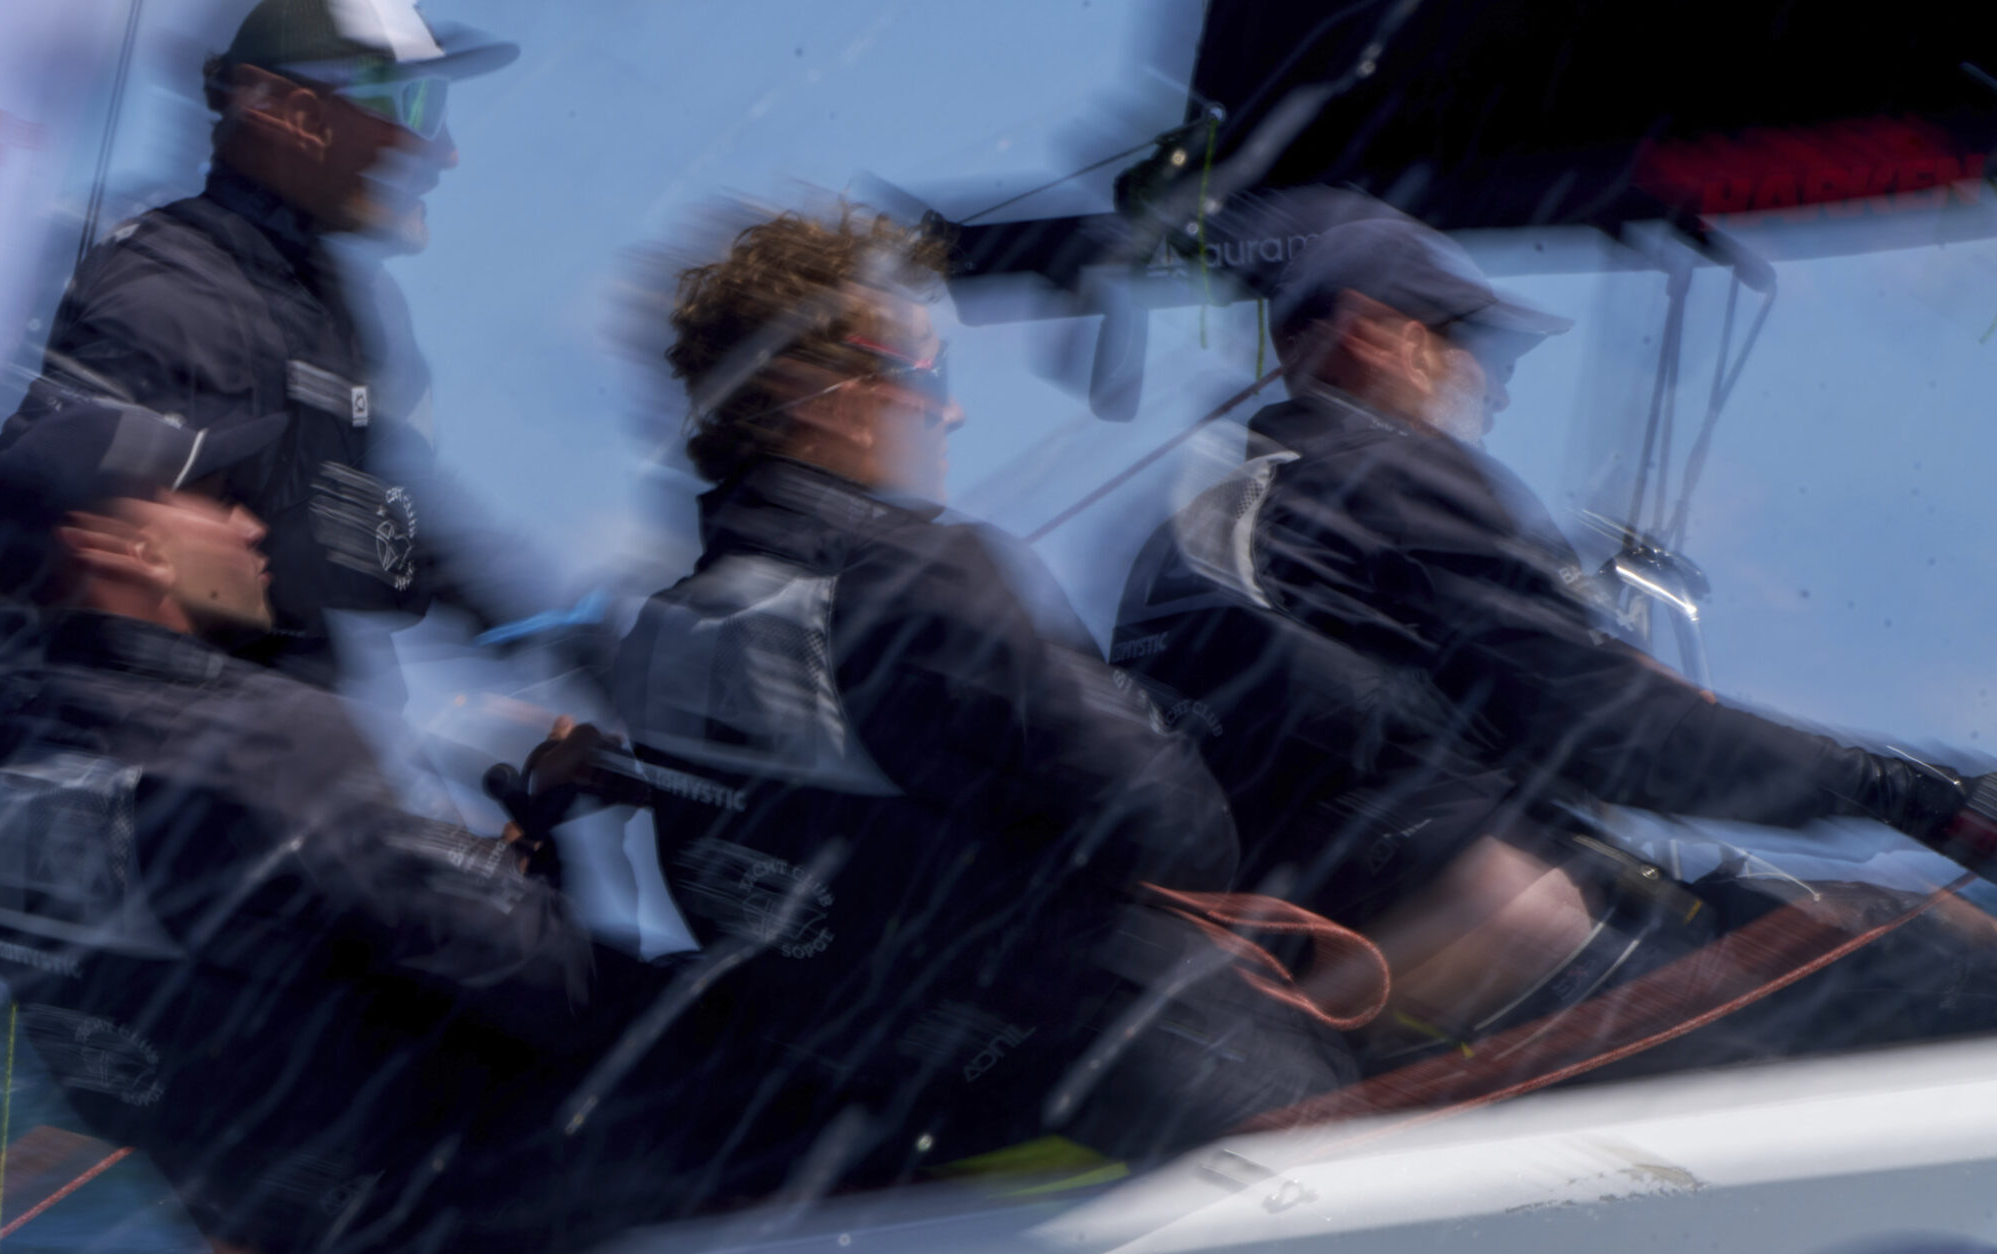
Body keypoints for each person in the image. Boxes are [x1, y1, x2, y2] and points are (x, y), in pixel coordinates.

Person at [1111, 206, 1997, 1064]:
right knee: (1930, 958)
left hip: (1311, 970)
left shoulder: (1197, 522)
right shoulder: (1378, 474)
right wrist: (1922, 797)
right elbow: (1614, 730)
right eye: (1471, 345)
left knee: (1837, 916)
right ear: (1375, 334)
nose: (1495, 384)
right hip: (1500, 959)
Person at [603, 206, 1360, 1200]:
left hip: (891, 1134)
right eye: (926, 374)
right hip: (1157, 1097)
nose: (950, 412)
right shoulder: (919, 572)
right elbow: (1169, 827)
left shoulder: (662, 636)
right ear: (814, 394)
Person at [0, 399, 619, 1254]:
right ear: (127, 548)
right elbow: (549, 986)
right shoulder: (273, 739)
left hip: (268, 1237)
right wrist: (559, 835)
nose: (251, 525)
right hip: (466, 1232)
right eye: (211, 498)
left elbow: (149, 1030)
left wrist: (499, 854)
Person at [0, 0, 520, 694]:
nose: (441, 149)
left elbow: (377, 527)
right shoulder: (174, 287)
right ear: (299, 116)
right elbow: (19, 533)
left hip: (273, 742)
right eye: (414, 103)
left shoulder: (329, 302)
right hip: (183, 748)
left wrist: (550, 630)